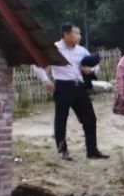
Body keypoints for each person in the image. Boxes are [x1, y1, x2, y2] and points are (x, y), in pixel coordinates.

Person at [32, 22, 109, 161]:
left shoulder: (81, 50)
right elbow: (36, 63)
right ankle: (63, 150)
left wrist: (90, 70)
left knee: (90, 119)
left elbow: (96, 65)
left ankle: (92, 150)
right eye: (76, 33)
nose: (79, 36)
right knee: (61, 119)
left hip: (79, 87)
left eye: (79, 33)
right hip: (62, 87)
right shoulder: (54, 48)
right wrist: (45, 79)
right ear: (66, 34)